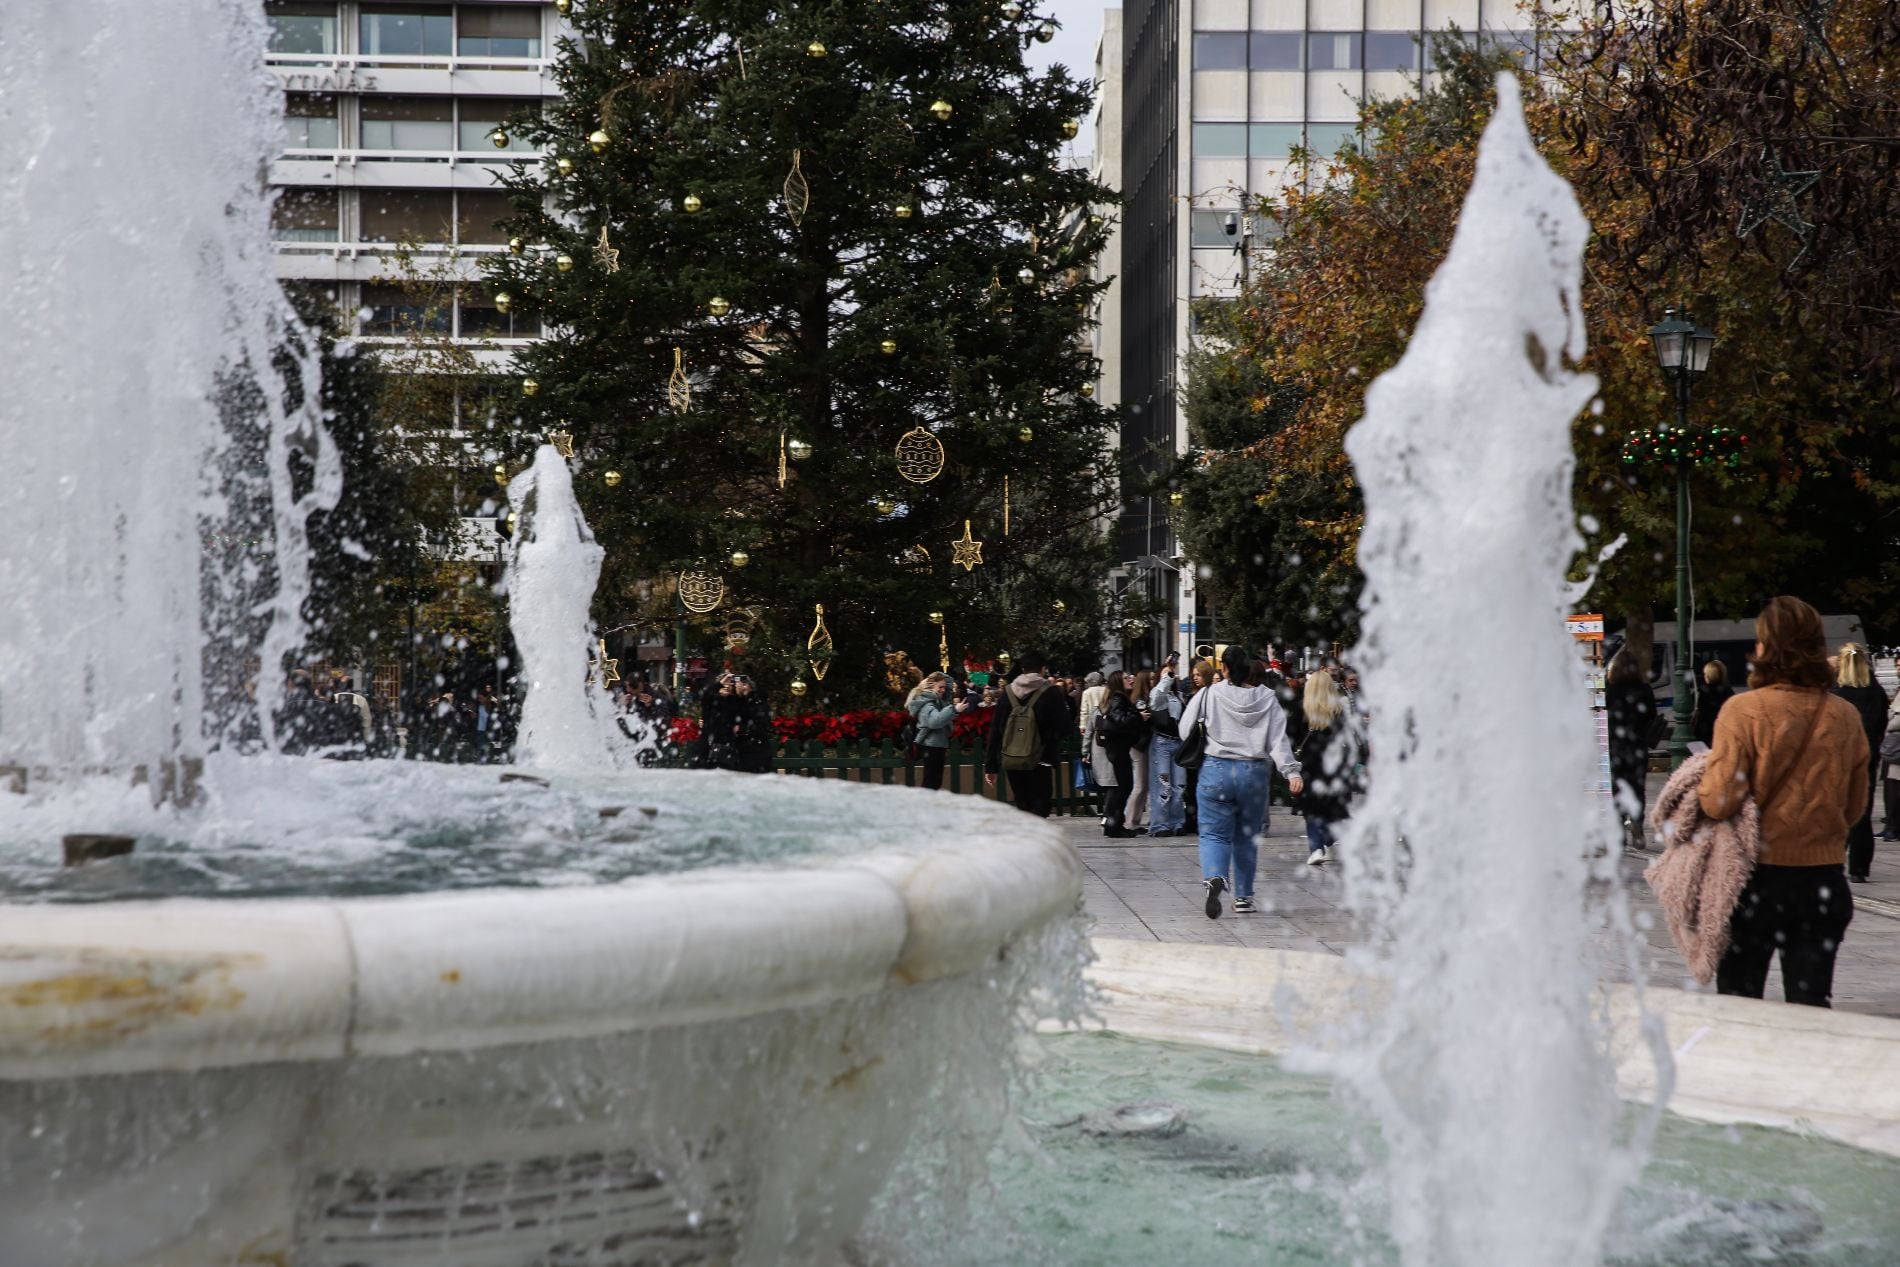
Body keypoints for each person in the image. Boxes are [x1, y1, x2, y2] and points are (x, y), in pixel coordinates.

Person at [1699, 597, 1869, 1006]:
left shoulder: (1743, 711)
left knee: (1739, 1004)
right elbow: (1853, 808)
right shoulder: (1845, 715)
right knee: (1811, 1008)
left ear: (1766, 646)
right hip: (1822, 882)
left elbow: (1719, 802)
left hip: (1756, 878)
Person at [1177, 646, 1304, 918]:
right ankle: (1244, 896)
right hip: (1254, 772)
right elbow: (1278, 741)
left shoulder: (1208, 694)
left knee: (1213, 833)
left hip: (1215, 768)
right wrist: (1291, 772)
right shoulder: (1268, 698)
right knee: (1246, 837)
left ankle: (1215, 877)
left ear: (1223, 669)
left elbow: (1184, 729)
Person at [985, 650, 1072, 817]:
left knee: (1022, 804)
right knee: (1040, 806)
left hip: (1013, 758)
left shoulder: (1008, 693)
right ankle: (1036, 840)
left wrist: (991, 766)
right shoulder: (1051, 692)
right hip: (1041, 758)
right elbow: (1064, 727)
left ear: (1022, 669)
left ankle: (1026, 839)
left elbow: (996, 729)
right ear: (1042, 669)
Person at [1832, 642, 1889, 882]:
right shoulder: (1875, 691)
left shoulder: (1836, 693)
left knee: (1839, 809)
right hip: (1866, 755)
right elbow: (1880, 724)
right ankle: (1859, 867)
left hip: (1839, 758)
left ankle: (1836, 857)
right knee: (1862, 811)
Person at [1297, 671, 1360, 865]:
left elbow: (1292, 738)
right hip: (1333, 768)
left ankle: (1316, 847)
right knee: (1333, 811)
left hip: (1309, 768)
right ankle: (1325, 841)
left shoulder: (1302, 711)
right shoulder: (1338, 712)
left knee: (1312, 811)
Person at [1606, 647, 1659, 850]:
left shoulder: (1609, 690)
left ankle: (1618, 834)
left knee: (1616, 790)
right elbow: (1651, 717)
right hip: (1637, 747)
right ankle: (1636, 821)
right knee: (1638, 789)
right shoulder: (1644, 689)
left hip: (1615, 748)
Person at [1094, 672, 1148, 837]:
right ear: (1118, 682)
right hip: (1118, 748)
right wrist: (1138, 716)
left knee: (1124, 787)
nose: (1130, 679)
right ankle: (1114, 825)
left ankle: (1116, 823)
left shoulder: (1119, 698)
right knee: (1123, 788)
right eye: (1126, 678)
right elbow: (1121, 721)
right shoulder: (1118, 699)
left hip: (1119, 748)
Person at [698, 670, 773, 773]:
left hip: (734, 752)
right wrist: (718, 686)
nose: (728, 686)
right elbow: (705, 698)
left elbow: (753, 714)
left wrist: (745, 692)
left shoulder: (735, 702)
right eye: (725, 683)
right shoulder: (712, 701)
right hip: (711, 751)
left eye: (731, 683)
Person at [1147, 655, 1189, 837]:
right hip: (1162, 743)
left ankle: (1177, 821)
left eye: (1171, 675)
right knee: (1163, 786)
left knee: (1179, 785)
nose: (1170, 677)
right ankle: (1160, 824)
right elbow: (1157, 695)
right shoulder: (1157, 696)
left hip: (1177, 742)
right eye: (1165, 675)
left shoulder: (1178, 696)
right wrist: (1168, 672)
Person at [906, 671, 967, 792]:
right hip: (931, 747)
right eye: (940, 687)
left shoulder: (937, 701)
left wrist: (937, 675)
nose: (943, 690)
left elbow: (949, 683)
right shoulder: (927, 704)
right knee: (930, 783)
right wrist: (954, 709)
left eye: (944, 687)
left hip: (937, 746)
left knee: (934, 782)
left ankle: (929, 807)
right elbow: (934, 721)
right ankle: (925, 808)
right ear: (930, 687)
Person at [1126, 669, 1155, 830]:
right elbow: (1142, 722)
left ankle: (1134, 821)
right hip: (1139, 746)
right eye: (1150, 679)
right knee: (1139, 785)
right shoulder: (1140, 700)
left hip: (1142, 745)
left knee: (1143, 785)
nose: (1153, 681)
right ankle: (1129, 821)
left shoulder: (1142, 698)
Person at [1692, 659, 1735, 749]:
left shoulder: (1701, 690)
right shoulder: (1727, 690)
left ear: (1708, 675)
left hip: (1703, 729)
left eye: (1705, 673)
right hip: (1723, 727)